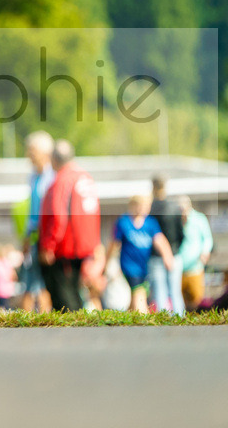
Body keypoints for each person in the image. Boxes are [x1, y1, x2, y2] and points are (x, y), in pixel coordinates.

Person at [38, 139, 100, 311]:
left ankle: (73, 334)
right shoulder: (85, 178)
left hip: (66, 248)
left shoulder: (63, 180)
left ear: (54, 160)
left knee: (64, 297)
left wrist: (49, 245)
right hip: (83, 246)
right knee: (75, 292)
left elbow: (59, 216)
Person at [107, 195, 175, 313]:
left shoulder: (150, 223)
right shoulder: (124, 222)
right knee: (139, 295)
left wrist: (167, 256)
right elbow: (114, 244)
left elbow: (160, 240)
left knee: (136, 297)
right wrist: (107, 263)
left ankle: (128, 322)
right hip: (129, 267)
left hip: (144, 266)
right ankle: (144, 321)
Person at [20, 131, 54, 312]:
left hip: (49, 236)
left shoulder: (54, 176)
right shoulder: (33, 176)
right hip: (35, 234)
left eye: (32, 151)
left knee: (44, 281)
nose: (28, 155)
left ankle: (48, 318)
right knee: (30, 280)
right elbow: (32, 211)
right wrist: (27, 236)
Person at [148, 175, 185, 315]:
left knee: (159, 293)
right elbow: (181, 234)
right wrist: (174, 250)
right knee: (175, 292)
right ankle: (181, 322)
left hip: (156, 256)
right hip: (175, 255)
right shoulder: (175, 207)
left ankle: (163, 324)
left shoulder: (150, 209)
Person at [177, 196, 213, 311]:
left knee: (197, 300)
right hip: (178, 269)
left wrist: (205, 252)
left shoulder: (199, 218)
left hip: (195, 267)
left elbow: (207, 238)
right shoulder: (174, 219)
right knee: (180, 302)